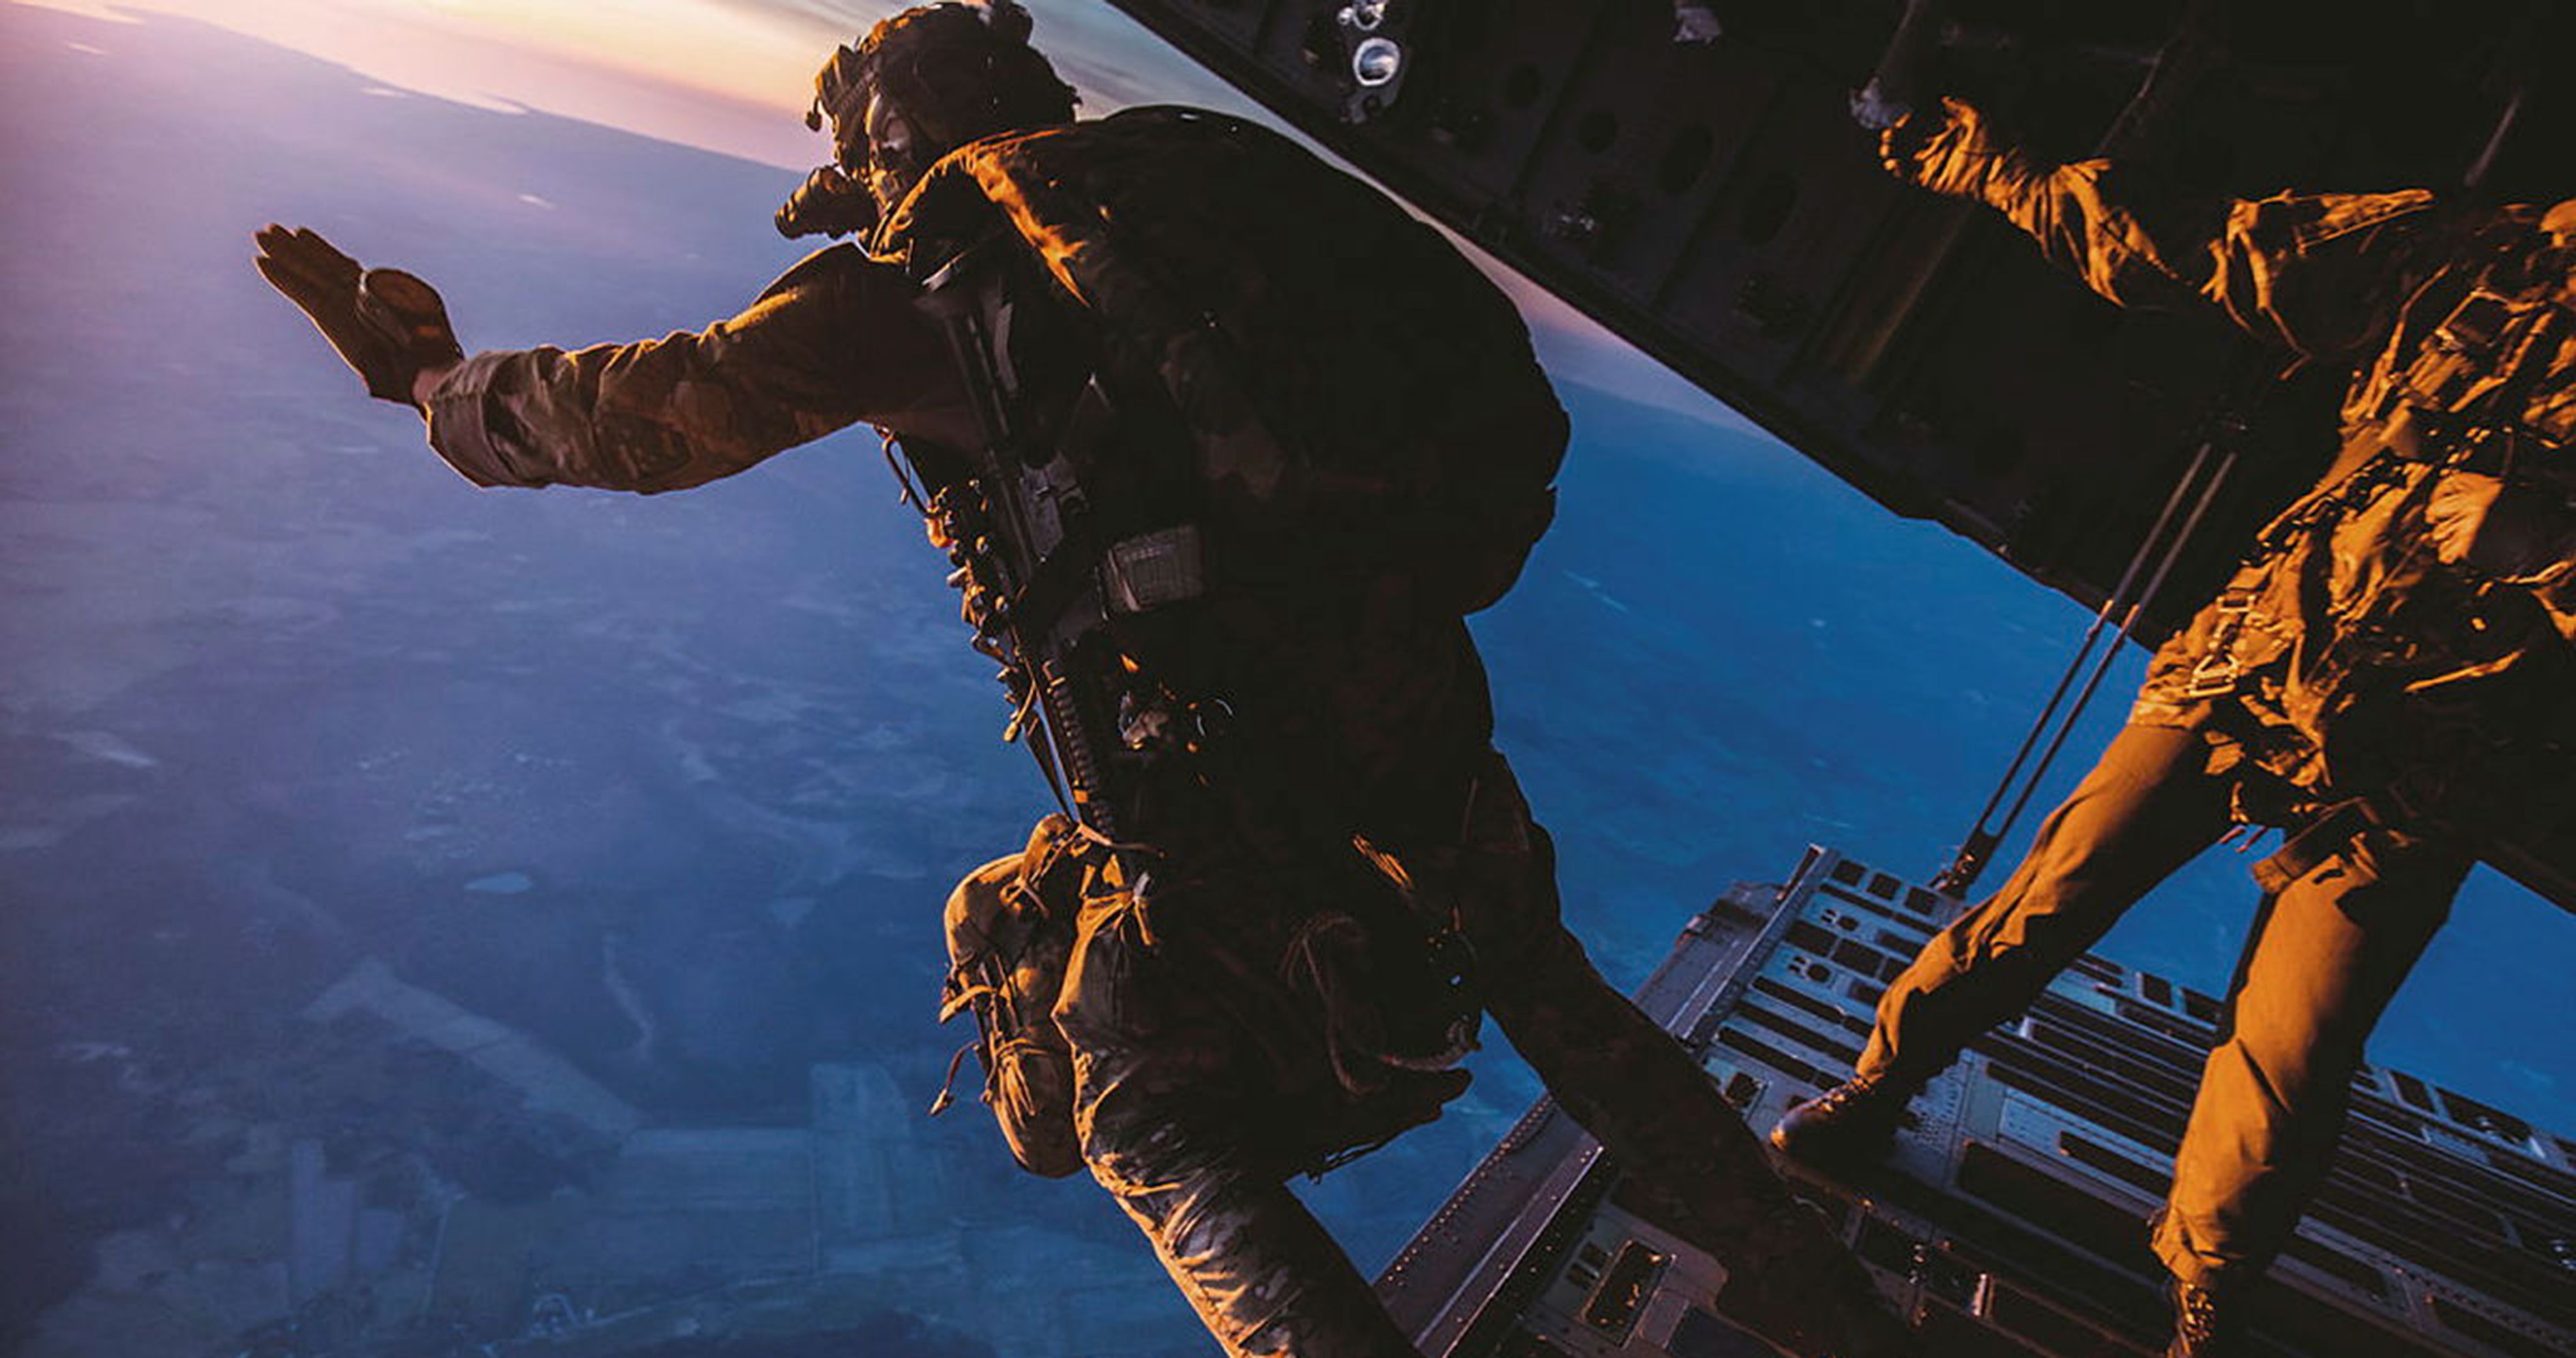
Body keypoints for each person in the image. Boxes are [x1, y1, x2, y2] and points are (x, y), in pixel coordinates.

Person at [255, 5, 1913, 1355]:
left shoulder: (923, 289)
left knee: (1130, 1109)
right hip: (1421, 724)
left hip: (1218, 796)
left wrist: (429, 383)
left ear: (885, 145)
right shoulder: (1201, 207)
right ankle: (1832, 1314)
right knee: (1573, 1016)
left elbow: (648, 413)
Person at [1770, 94, 2576, 1357]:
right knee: (2051, 893)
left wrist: (2550, 555)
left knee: (2290, 1047)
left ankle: (2207, 1284)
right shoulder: (2480, 261)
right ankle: (1878, 1090)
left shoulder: (2482, 264)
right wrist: (1997, 172)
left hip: (2418, 765)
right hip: (2248, 669)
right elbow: (2211, 250)